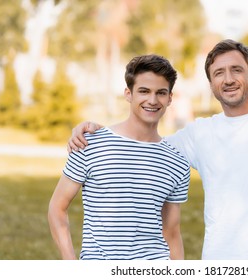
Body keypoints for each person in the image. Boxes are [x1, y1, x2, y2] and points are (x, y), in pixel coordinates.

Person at [67, 39, 248, 260]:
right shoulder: (200, 133)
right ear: (211, 84)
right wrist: (96, 130)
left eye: (237, 70)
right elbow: (143, 146)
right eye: (219, 73)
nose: (229, 79)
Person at [48, 54, 190, 260]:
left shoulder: (176, 162)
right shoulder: (90, 144)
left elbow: (172, 232)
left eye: (160, 93)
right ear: (128, 93)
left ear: (169, 98)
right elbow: (57, 208)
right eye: (144, 91)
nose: (152, 100)